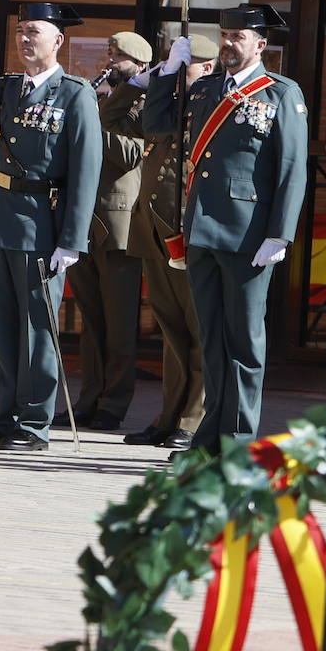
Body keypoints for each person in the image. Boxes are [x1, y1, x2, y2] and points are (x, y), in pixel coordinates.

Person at [142, 4, 307, 454]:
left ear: (261, 44)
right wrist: (168, 71)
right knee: (211, 339)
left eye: (239, 37)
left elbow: (292, 168)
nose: (230, 43)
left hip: (249, 234)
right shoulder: (207, 88)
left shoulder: (280, 93)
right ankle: (208, 437)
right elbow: (155, 124)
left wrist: (281, 233)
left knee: (244, 342)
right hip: (201, 229)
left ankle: (237, 442)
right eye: (226, 35)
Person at [103, 34, 218, 450]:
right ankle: (168, 416)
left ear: (206, 68)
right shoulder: (161, 107)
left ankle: (193, 418)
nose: (174, 73)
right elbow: (109, 120)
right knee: (171, 333)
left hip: (188, 235)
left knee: (199, 332)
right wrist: (140, 83)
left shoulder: (210, 110)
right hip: (152, 232)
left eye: (182, 65)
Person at [0, 2, 101, 452]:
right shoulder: (4, 88)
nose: (24, 39)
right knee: (1, 326)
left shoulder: (74, 93)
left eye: (34, 31)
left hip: (42, 222)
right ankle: (2, 415)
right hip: (2, 216)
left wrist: (72, 240)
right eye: (20, 30)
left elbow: (86, 170)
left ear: (57, 40)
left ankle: (33, 422)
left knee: (37, 328)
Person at [62, 32, 153, 431]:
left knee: (118, 325)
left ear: (140, 66)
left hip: (118, 224)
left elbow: (131, 154)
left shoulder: (145, 103)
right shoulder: (97, 98)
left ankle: (113, 404)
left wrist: (86, 126)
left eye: (120, 57)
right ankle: (87, 398)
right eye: (110, 54)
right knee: (91, 321)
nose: (111, 62)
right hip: (84, 221)